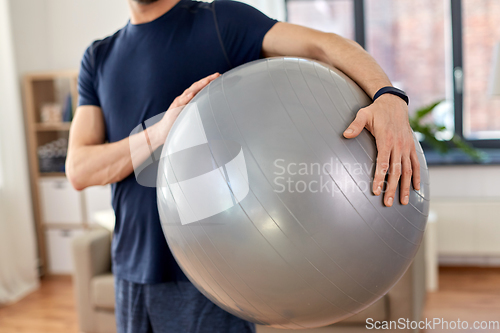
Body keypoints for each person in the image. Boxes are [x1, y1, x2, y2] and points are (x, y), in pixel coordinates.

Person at [66, 0, 421, 332]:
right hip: (130, 267)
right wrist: (159, 133)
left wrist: (387, 95)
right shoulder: (99, 57)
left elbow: (325, 46)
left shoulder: (221, 22)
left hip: (213, 273)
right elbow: (80, 169)